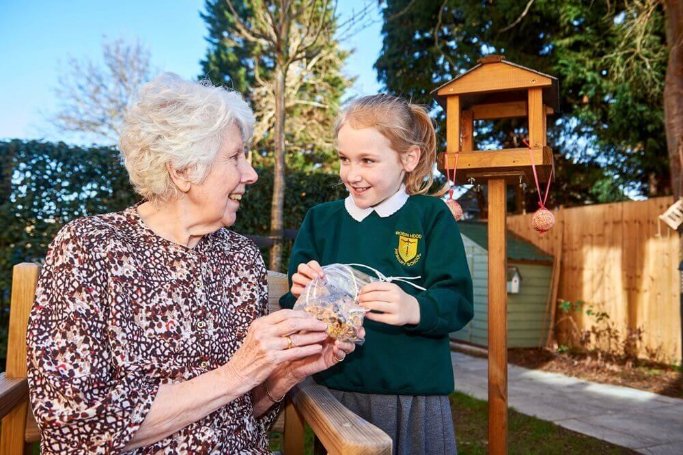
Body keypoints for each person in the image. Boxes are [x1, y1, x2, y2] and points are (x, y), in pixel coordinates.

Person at [26, 73, 358, 454]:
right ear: (182, 170)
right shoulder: (90, 247)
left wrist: (283, 376)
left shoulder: (240, 257)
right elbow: (74, 427)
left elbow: (242, 414)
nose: (250, 174)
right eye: (235, 156)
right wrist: (239, 372)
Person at [280, 94, 474, 454]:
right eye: (344, 159)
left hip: (415, 398)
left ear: (408, 158)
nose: (352, 174)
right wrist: (300, 293)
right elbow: (295, 303)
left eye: (367, 160)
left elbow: (457, 302)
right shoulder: (321, 221)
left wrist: (415, 308)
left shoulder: (431, 216)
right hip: (338, 397)